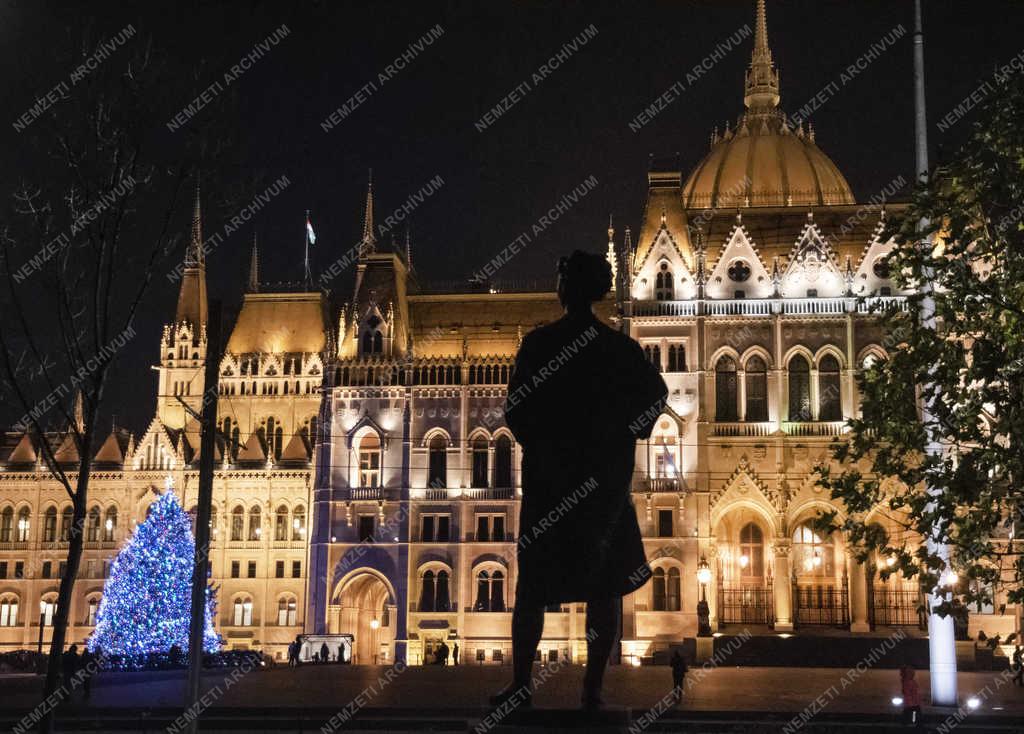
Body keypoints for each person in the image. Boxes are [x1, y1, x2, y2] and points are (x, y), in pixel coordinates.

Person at [493, 250, 668, 711]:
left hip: (552, 485)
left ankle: (523, 685)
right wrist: (623, 435)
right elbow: (656, 397)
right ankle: (591, 690)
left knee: (533, 588)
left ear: (569, 288)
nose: (558, 283)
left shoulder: (539, 344)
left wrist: (545, 446)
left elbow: (517, 410)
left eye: (562, 276)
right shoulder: (620, 349)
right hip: (603, 486)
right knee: (603, 587)